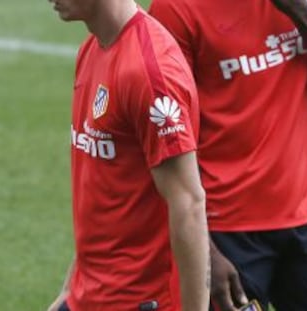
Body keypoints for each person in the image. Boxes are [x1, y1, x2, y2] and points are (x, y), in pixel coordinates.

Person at [149, 0, 307, 310]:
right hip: (225, 234)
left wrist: (300, 11)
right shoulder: (176, 9)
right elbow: (160, 141)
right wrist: (206, 254)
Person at [46, 0, 211, 311]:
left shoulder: (150, 72)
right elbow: (105, 193)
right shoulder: (93, 48)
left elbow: (188, 203)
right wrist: (70, 289)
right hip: (90, 296)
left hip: (138, 300)